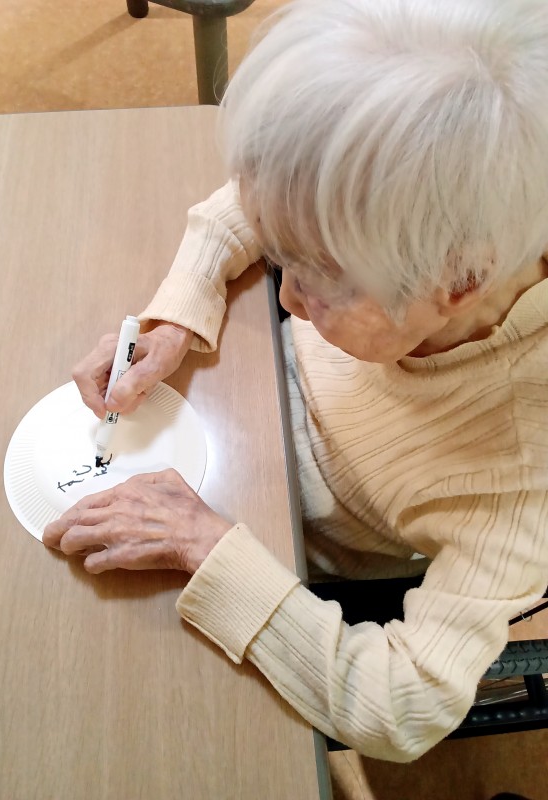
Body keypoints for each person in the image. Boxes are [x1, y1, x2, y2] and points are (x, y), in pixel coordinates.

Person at [43, 0, 548, 762]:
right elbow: (266, 200)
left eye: (318, 280)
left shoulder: (516, 479)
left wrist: (204, 545)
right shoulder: (420, 214)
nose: (288, 299)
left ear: (460, 283)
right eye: (289, 259)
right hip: (249, 407)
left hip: (278, 541)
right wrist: (179, 314)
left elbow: (403, 708)